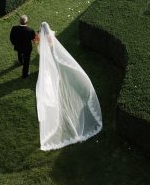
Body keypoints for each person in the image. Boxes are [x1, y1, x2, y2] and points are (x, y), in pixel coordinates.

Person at [35, 22, 102, 151]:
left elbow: (42, 55)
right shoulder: (51, 38)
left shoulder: (41, 46)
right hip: (53, 67)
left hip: (49, 69)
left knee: (52, 92)